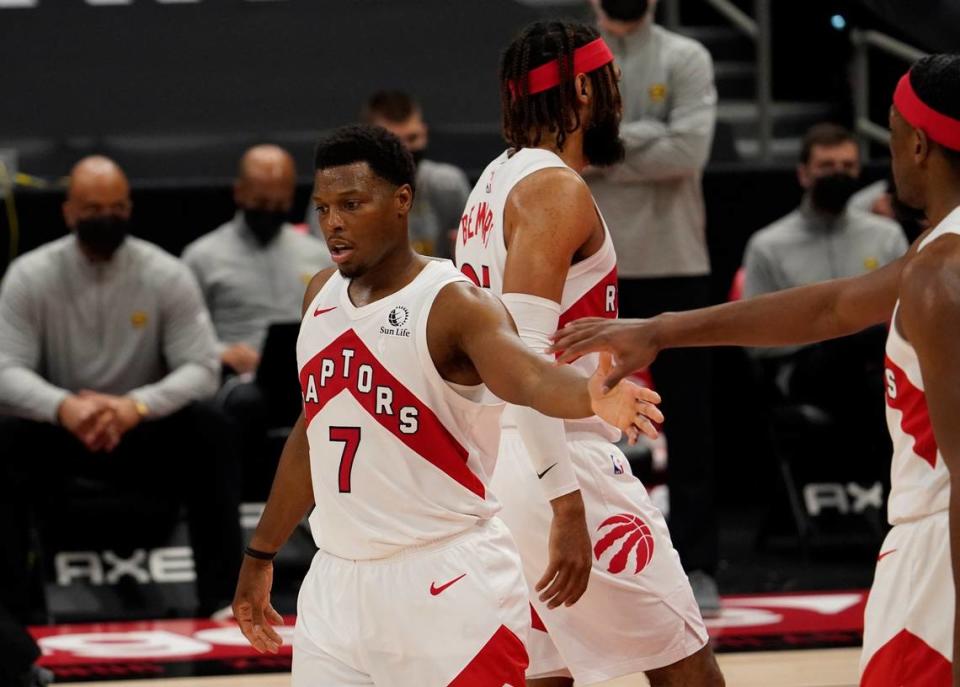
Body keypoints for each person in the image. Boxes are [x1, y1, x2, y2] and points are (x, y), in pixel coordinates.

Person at [553, 54, 960, 687]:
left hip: (942, 567)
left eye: (888, 128)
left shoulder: (943, 274)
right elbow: (830, 306)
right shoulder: (934, 255)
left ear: (917, 142)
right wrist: (661, 330)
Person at [231, 125, 664, 686]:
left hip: (449, 586)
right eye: (322, 207)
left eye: (352, 204)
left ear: (402, 201)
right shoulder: (320, 295)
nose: (333, 222)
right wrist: (260, 553)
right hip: (336, 587)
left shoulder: (454, 301)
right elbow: (311, 435)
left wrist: (588, 395)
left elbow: (528, 377)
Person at [456, 20, 722, 687]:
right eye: (612, 84)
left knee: (549, 675)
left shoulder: (490, 183)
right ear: (580, 91)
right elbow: (523, 363)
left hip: (500, 463)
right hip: (559, 462)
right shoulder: (554, 190)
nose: (619, 100)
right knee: (687, 668)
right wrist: (568, 505)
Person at [0, 156, 242, 619]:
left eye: (114, 207)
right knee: (4, 441)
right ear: (69, 212)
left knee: (211, 429)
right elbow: (6, 369)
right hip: (62, 431)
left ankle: (223, 600)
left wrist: (137, 406)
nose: (104, 218)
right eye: (92, 208)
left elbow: (201, 367)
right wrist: (63, 407)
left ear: (129, 208)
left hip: (141, 430)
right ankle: (15, 613)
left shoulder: (166, 274)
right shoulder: (30, 276)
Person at [584, 0, 722, 612]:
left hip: (675, 263)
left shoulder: (685, 56)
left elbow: (688, 152)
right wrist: (647, 139)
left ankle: (700, 566)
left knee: (690, 424)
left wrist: (608, 145)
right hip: (589, 262)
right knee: (571, 416)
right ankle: (577, 561)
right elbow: (562, 151)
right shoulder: (576, 61)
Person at [744, 123, 908, 463]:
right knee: (865, 353)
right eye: (827, 167)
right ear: (804, 174)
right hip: (802, 366)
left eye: (847, 167)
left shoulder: (886, 235)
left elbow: (907, 315)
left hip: (877, 364)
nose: (839, 174)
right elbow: (755, 342)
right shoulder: (768, 245)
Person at [183, 145, 331, 486]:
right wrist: (221, 352)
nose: (269, 212)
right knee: (246, 404)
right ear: (239, 194)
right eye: (261, 204)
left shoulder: (316, 254)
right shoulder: (203, 257)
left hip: (306, 373)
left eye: (278, 205)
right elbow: (182, 335)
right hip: (241, 379)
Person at [306, 91, 471, 258]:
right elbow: (322, 257)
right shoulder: (337, 187)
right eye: (396, 142)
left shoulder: (448, 184)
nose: (405, 150)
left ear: (424, 132)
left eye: (413, 138)